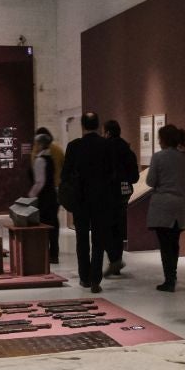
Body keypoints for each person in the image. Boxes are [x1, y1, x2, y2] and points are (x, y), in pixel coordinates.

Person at [61, 112, 119, 293]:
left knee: (82, 239)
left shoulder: (74, 146)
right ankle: (95, 279)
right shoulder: (106, 145)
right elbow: (112, 173)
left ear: (82, 126)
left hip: (80, 199)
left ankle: (84, 277)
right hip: (101, 199)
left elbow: (65, 175)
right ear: (98, 125)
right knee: (99, 240)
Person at [144, 123, 185, 291]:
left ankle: (168, 279)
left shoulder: (158, 157)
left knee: (164, 244)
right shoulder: (183, 157)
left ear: (163, 139)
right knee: (174, 243)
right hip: (180, 205)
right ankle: (173, 275)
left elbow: (150, 181)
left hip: (163, 205)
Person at [103, 119, 139, 277]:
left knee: (106, 228)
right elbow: (135, 176)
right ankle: (116, 260)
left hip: (107, 192)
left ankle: (114, 260)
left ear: (108, 132)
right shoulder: (127, 150)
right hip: (124, 193)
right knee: (118, 227)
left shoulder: (104, 150)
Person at [28, 131, 60, 264]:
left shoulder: (40, 160)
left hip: (44, 198)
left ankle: (44, 254)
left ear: (41, 145)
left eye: (36, 143)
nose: (35, 146)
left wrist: (31, 195)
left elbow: (40, 181)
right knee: (53, 225)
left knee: (43, 226)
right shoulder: (50, 158)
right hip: (52, 196)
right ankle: (53, 254)